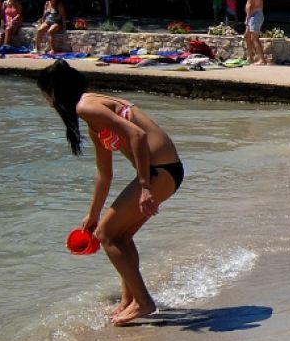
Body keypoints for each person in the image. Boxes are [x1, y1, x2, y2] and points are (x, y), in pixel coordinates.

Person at [37, 60, 184, 325]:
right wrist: (91, 215)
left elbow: (137, 135)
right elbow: (104, 173)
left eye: (45, 95)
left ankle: (144, 302)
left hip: (160, 172)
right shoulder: (92, 112)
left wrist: (145, 187)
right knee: (121, 236)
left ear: (54, 92)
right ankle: (130, 300)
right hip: (165, 171)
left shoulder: (86, 106)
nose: (46, 101)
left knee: (107, 235)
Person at [239, 0, 266, 65]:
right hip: (254, 15)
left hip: (255, 15)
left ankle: (262, 60)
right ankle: (250, 57)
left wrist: (247, 17)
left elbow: (251, 4)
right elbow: (260, 1)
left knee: (254, 38)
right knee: (247, 36)